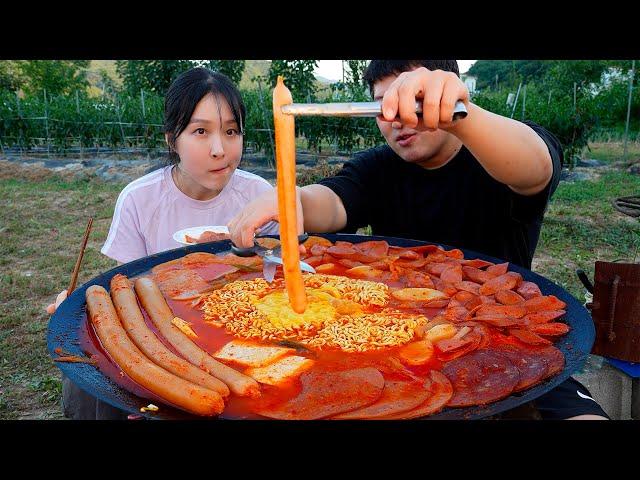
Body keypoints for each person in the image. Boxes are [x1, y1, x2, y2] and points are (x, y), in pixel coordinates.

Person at [228, 60, 609, 420]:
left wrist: (464, 115)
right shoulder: (378, 168)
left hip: (509, 352)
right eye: (380, 106)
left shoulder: (496, 148)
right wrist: (292, 199)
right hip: (391, 361)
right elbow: (334, 200)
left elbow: (535, 167)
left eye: (412, 102)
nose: (396, 119)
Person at [46, 67, 277, 419]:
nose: (220, 149)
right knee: (87, 381)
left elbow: (277, 271)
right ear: (172, 139)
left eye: (232, 131)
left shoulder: (260, 196)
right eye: (201, 131)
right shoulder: (140, 199)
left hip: (246, 328)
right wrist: (81, 309)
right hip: (162, 339)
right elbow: (125, 293)